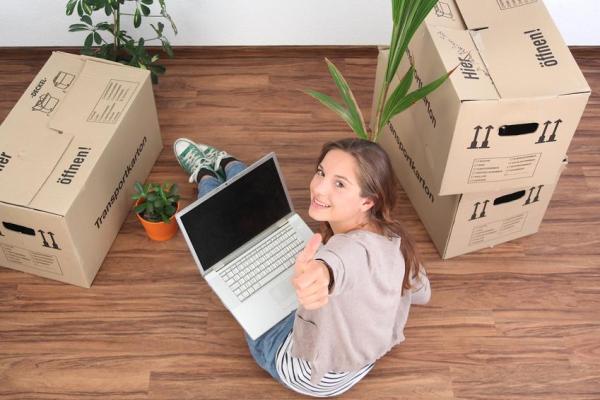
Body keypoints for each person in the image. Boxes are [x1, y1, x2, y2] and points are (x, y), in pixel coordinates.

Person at [174, 137, 431, 397]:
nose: (318, 188)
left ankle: (207, 175)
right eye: (321, 172)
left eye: (340, 184)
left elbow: (339, 264)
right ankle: (226, 164)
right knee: (262, 221)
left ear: (367, 202)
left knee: (229, 233)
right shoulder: (395, 237)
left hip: (307, 370)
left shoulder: (346, 252)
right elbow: (423, 292)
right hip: (360, 360)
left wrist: (320, 277)